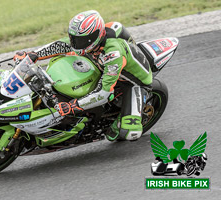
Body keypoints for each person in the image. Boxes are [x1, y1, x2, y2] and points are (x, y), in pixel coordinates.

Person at [13, 10, 152, 141]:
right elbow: (62, 45)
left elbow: (103, 93)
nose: (75, 43)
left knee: (127, 133)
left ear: (94, 37)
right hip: (104, 65)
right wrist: (33, 55)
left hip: (131, 82)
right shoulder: (90, 42)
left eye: (80, 40)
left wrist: (72, 106)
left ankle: (128, 115)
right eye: (74, 38)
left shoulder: (112, 54)